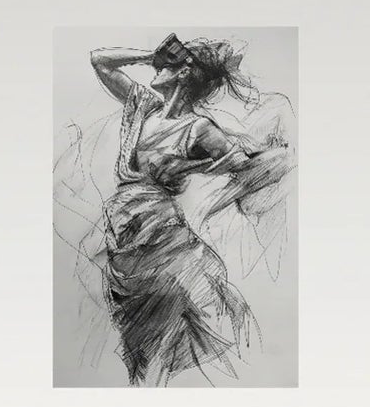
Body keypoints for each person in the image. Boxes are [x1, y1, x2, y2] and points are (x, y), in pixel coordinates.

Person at [86, 34, 293, 385]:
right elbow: (99, 59)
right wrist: (152, 55)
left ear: (183, 72)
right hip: (124, 235)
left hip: (162, 237)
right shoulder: (143, 106)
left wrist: (189, 168)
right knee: (137, 335)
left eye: (166, 64)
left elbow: (243, 163)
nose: (157, 67)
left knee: (180, 319)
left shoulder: (198, 128)